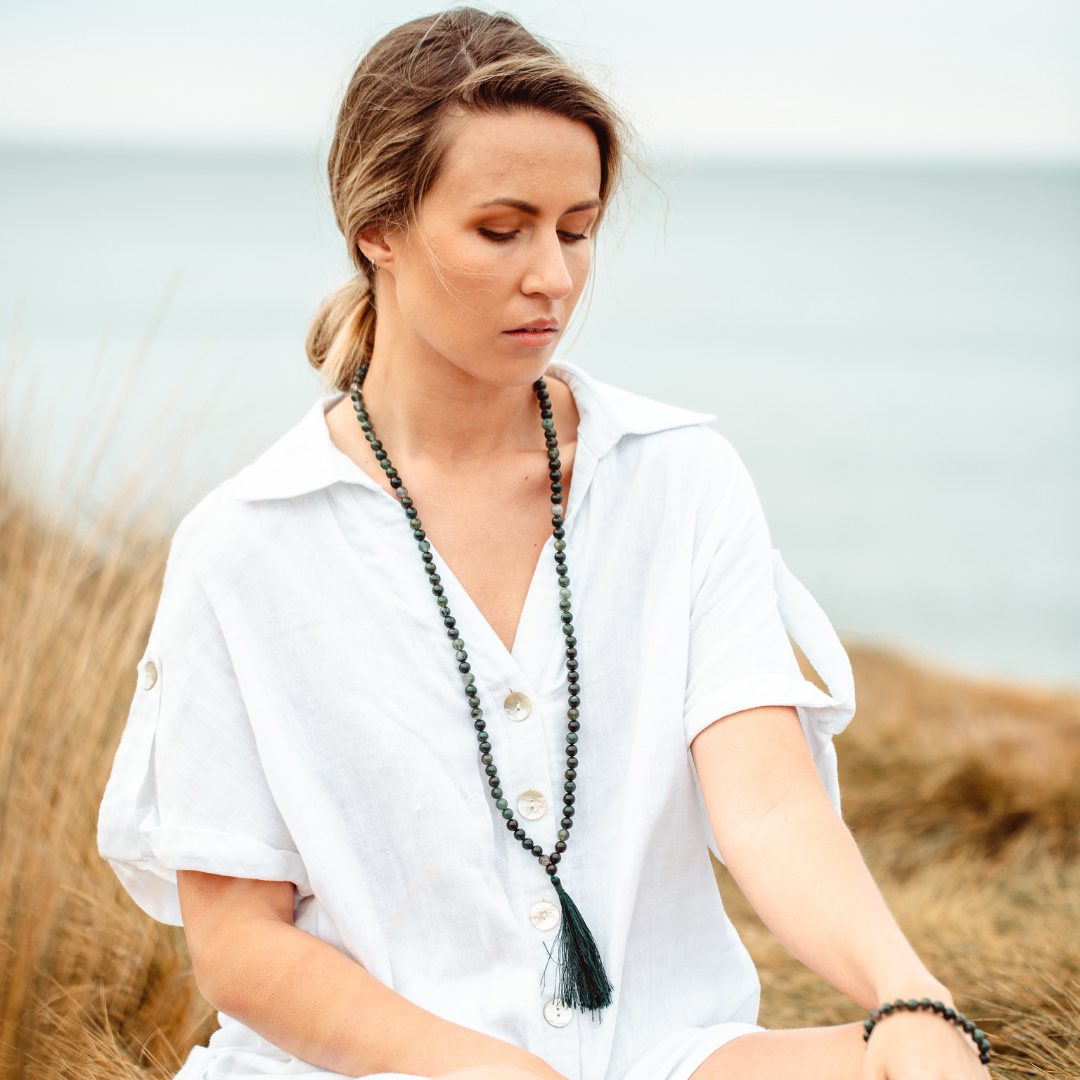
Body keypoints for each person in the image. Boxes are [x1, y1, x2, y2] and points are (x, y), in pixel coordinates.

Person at [98, 9, 991, 1080]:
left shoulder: (681, 479)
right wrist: (492, 1071)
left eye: (576, 230)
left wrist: (911, 999)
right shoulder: (245, 544)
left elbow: (768, 802)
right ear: (378, 228)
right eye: (501, 230)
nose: (554, 278)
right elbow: (239, 943)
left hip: (663, 1055)